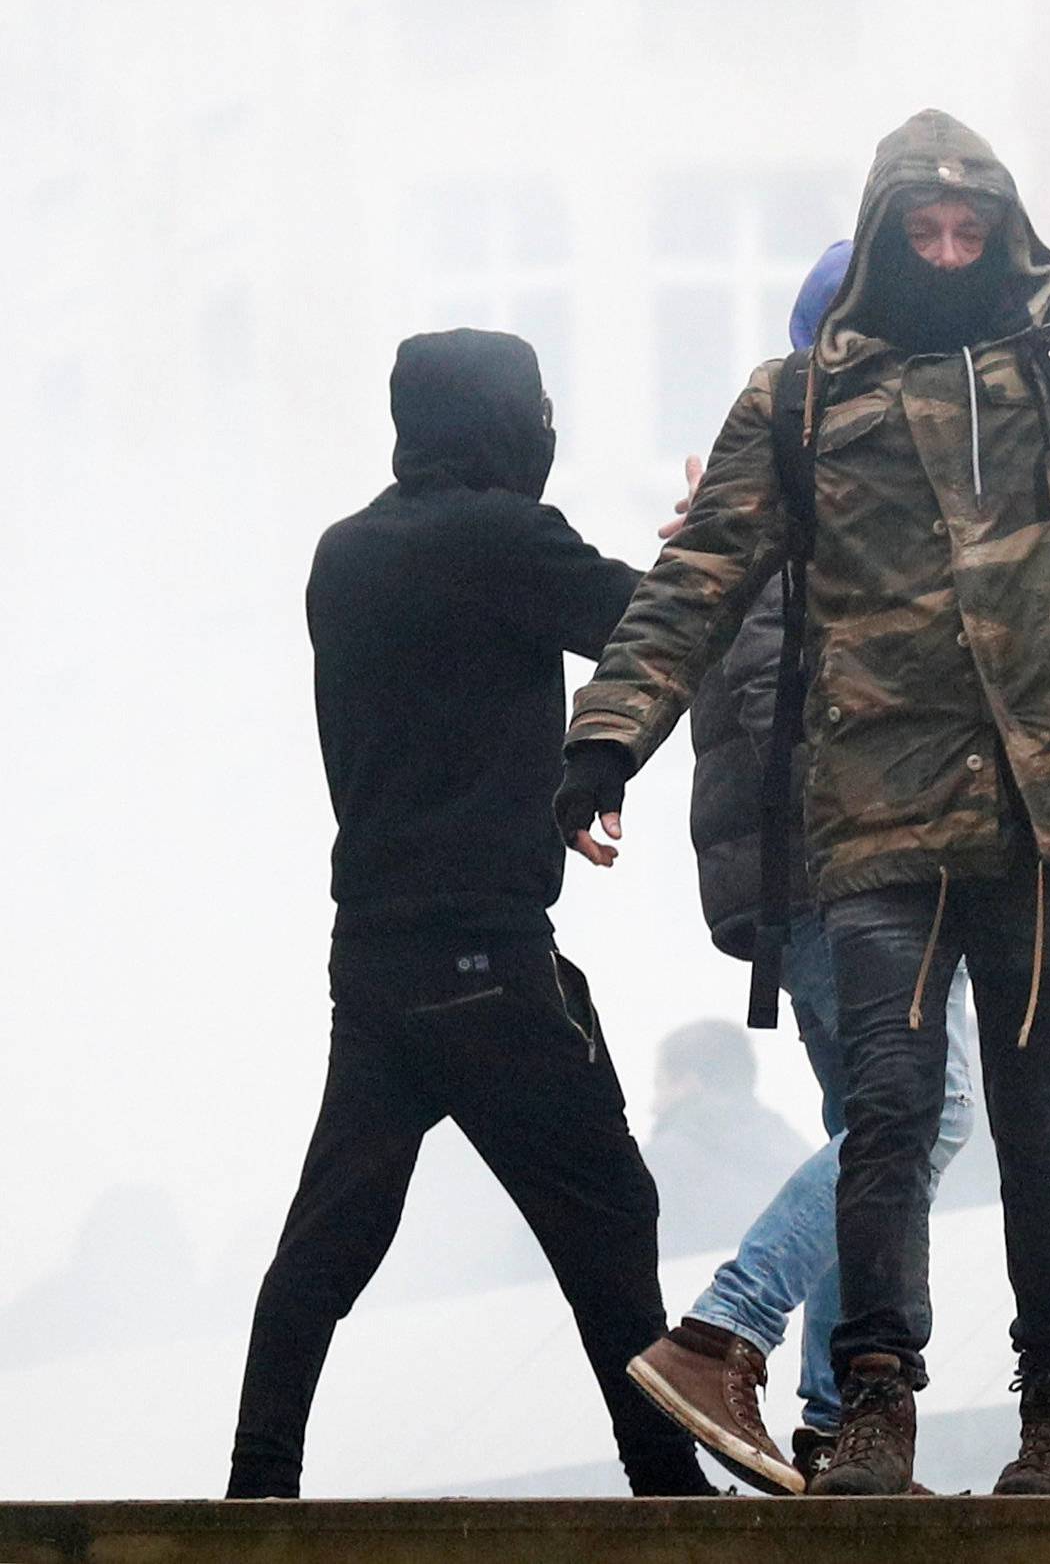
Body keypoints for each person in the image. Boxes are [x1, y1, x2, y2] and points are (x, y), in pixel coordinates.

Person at [552, 24, 1050, 1495]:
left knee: (1040, 1125)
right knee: (890, 1112)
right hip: (879, 815)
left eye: (972, 225)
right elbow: (694, 582)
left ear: (1003, 231)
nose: (950, 249)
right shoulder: (800, 402)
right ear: (888, 232)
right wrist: (602, 743)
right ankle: (874, 1412)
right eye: (925, 227)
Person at [226, 330, 709, 1498]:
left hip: (376, 962)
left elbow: (445, 715)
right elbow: (656, 626)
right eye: (539, 407)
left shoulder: (343, 556)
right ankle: (668, 1485)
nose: (550, 427)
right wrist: (704, 546)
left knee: (334, 1232)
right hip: (487, 955)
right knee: (605, 1203)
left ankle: (257, 1483)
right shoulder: (500, 536)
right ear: (502, 419)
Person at [630, 245, 976, 1496]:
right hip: (842, 870)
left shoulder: (798, 484)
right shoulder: (808, 490)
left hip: (824, 871)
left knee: (868, 1129)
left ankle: (839, 1423)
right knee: (926, 1114)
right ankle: (725, 1330)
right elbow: (786, 699)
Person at [643, 1019, 811, 1257]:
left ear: (689, 1083)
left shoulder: (660, 1165)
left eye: (659, 1085)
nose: (653, 1106)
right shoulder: (802, 1156)